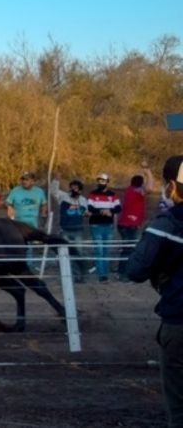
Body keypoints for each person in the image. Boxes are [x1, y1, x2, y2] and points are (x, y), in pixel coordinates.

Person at [126, 155, 183, 427]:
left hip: (179, 321)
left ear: (172, 186)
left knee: (179, 403)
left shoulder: (167, 224)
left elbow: (135, 270)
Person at [50, 176, 90, 282]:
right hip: (65, 230)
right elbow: (53, 191)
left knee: (78, 253)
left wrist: (87, 214)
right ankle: (69, 276)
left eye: (76, 188)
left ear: (80, 190)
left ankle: (80, 276)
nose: (73, 190)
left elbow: (85, 212)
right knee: (65, 253)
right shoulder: (64, 197)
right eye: (72, 187)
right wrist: (56, 179)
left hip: (78, 231)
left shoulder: (83, 200)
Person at [87, 172, 121, 283]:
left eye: (103, 181)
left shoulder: (113, 195)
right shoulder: (92, 194)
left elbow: (118, 208)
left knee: (106, 250)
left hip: (108, 225)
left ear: (107, 182)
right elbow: (90, 208)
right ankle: (101, 275)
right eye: (99, 180)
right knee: (99, 250)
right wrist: (102, 211)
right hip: (96, 225)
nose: (100, 182)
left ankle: (105, 273)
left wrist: (110, 211)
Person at [117, 175, 148, 279]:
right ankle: (124, 274)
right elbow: (149, 188)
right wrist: (148, 172)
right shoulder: (137, 191)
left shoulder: (129, 190)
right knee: (130, 250)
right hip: (131, 225)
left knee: (127, 249)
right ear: (141, 183)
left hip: (124, 224)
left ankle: (121, 272)